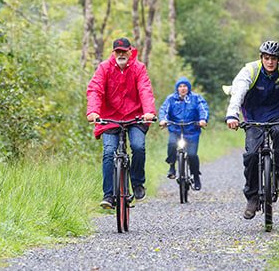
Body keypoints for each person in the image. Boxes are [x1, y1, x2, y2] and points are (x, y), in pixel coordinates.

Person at [225, 40, 279, 219]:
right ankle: (252, 197)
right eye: (267, 58)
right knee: (252, 154)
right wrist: (232, 115)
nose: (270, 62)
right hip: (254, 115)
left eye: (274, 59)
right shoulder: (250, 70)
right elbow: (238, 93)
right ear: (261, 58)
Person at [87, 37, 156, 209]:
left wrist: (148, 112)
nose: (121, 54)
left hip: (136, 116)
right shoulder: (104, 68)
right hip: (110, 117)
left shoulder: (139, 68)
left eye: (124, 51)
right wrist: (93, 111)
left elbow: (145, 89)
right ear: (113, 52)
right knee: (109, 152)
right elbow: (95, 89)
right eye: (117, 51)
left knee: (138, 146)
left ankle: (138, 182)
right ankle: (109, 195)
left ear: (130, 51)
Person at [158, 77, 209, 190]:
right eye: (180, 86)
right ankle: (172, 166)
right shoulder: (171, 99)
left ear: (188, 88)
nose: (182, 88)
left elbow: (203, 109)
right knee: (172, 144)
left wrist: (203, 120)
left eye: (185, 86)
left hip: (192, 131)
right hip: (175, 129)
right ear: (177, 88)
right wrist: (163, 120)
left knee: (192, 155)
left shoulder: (196, 98)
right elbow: (164, 110)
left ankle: (196, 177)